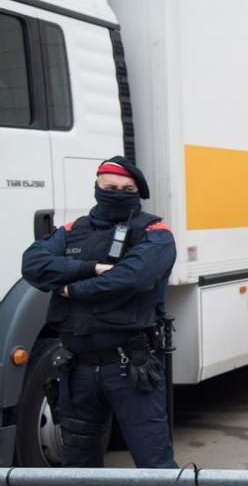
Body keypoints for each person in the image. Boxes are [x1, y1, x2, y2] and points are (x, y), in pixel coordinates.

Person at [21, 157, 177, 468]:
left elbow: (131, 278)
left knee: (154, 464)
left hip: (131, 369)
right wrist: (89, 268)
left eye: (126, 188)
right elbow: (33, 265)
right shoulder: (71, 231)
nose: (118, 193)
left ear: (137, 192)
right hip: (76, 371)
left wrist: (72, 289)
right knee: (78, 466)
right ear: (97, 188)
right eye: (111, 187)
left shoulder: (156, 232)